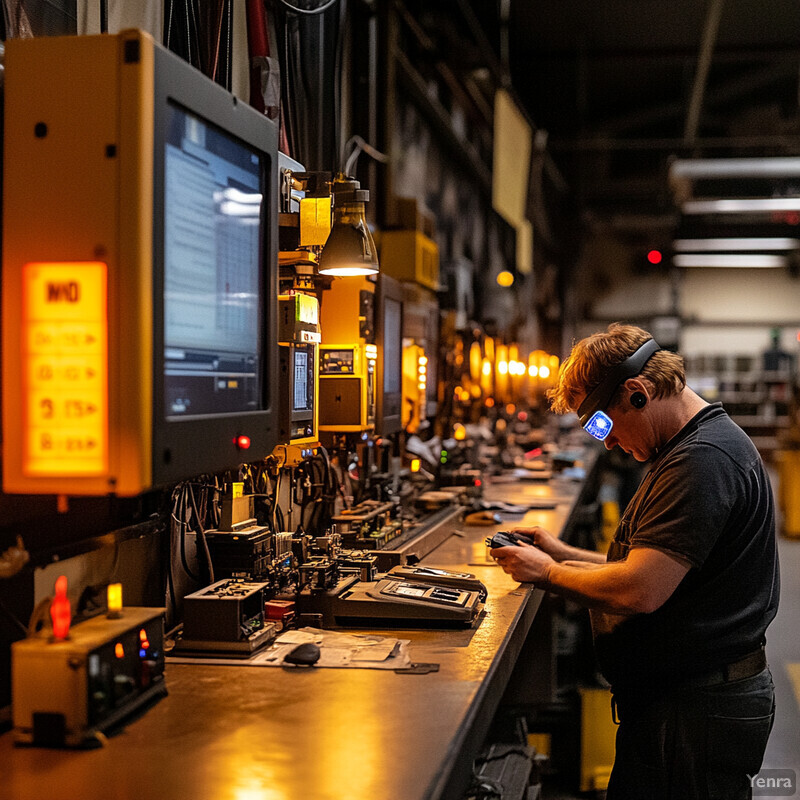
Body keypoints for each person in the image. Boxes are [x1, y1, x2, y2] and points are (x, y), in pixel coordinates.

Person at [491, 323, 779, 800]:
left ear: (638, 393)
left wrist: (545, 573)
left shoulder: (702, 461)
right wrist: (561, 554)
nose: (604, 442)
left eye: (602, 423)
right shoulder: (688, 449)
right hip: (681, 703)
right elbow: (651, 565)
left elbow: (640, 590)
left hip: (694, 713)